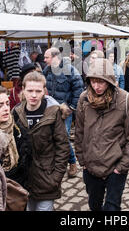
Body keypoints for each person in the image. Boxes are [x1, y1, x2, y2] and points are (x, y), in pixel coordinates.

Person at [75, 58, 129, 211]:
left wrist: (122, 166)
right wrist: (82, 160)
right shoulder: (83, 99)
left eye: (101, 82)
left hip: (115, 167)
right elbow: (79, 132)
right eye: (93, 81)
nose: (96, 86)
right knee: (94, 204)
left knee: (112, 208)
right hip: (90, 166)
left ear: (110, 81)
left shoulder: (126, 101)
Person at [11, 71, 69, 211]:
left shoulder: (54, 113)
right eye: (30, 90)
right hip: (23, 179)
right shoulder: (16, 112)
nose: (34, 95)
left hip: (46, 179)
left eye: (38, 91)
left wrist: (56, 178)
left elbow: (63, 147)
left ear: (44, 91)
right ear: (23, 90)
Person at [43, 47, 84, 178]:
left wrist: (71, 107)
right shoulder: (47, 70)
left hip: (64, 111)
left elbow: (79, 89)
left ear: (55, 57)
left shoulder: (70, 70)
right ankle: (56, 163)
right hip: (50, 110)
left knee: (63, 137)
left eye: (46, 57)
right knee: (51, 136)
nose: (44, 60)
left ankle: (72, 163)